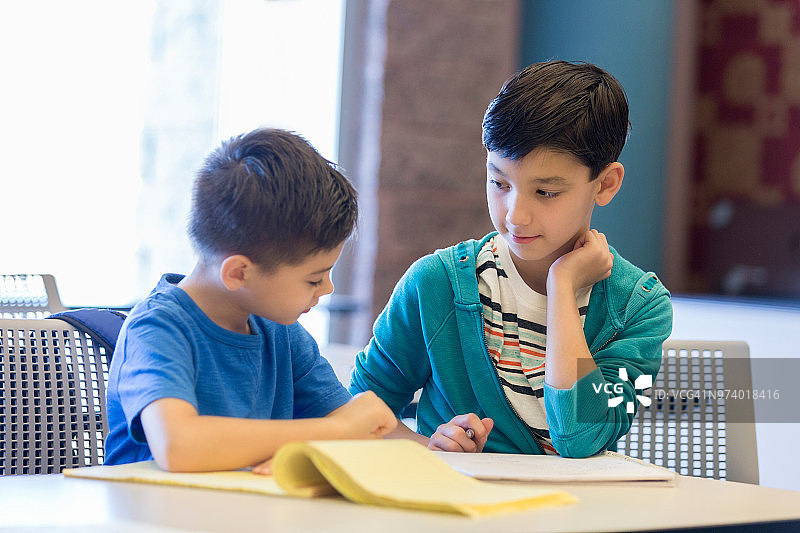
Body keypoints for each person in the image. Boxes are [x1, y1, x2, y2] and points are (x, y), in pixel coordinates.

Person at [348, 61, 673, 458]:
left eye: (546, 192)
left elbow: (580, 438)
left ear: (605, 184)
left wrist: (563, 287)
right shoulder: (436, 284)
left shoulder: (639, 307)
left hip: (576, 516)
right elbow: (356, 414)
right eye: (499, 183)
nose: (515, 215)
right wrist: (428, 448)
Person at [105, 128, 396, 472]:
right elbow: (179, 446)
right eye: (314, 278)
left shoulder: (280, 331)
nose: (327, 288)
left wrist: (335, 441)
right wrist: (330, 433)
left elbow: (357, 427)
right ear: (239, 273)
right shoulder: (156, 328)